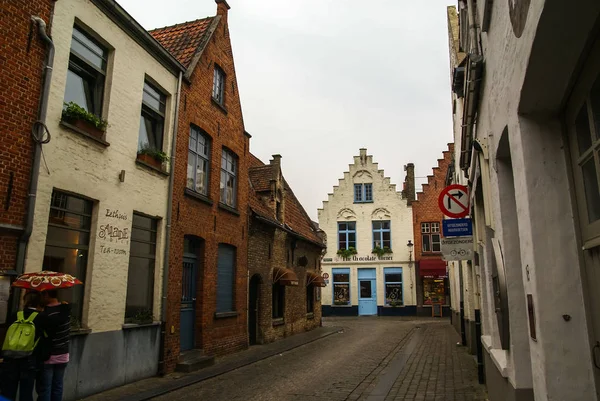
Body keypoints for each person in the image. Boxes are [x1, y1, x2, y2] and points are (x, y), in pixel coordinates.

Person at [0, 291, 47, 401]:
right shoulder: (41, 317)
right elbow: (44, 340)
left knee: (7, 392)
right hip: (29, 359)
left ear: (25, 301)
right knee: (26, 392)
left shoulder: (15, 315)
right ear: (39, 302)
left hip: (10, 357)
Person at [36, 290, 70, 401]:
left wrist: (39, 314)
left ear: (47, 295)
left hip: (49, 354)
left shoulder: (45, 313)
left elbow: (41, 331)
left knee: (45, 387)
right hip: (63, 354)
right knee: (58, 385)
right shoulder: (65, 310)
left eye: (43, 295)